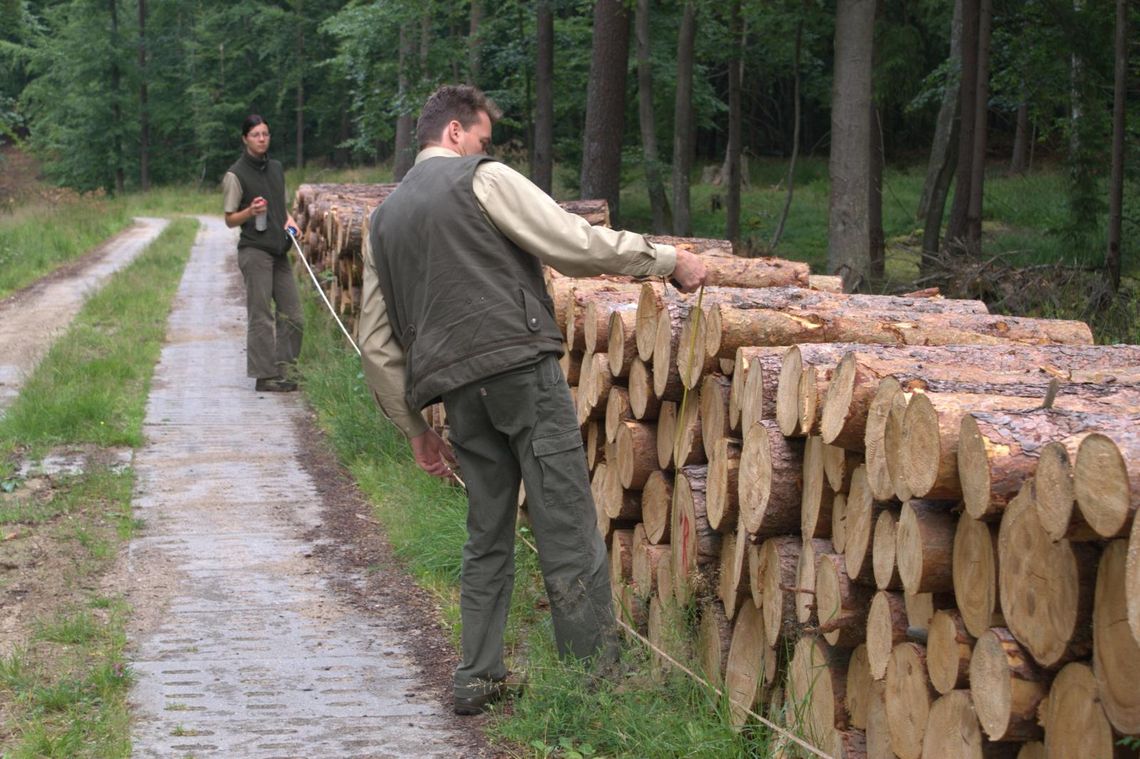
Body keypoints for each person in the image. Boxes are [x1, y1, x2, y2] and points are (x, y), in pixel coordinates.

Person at [358, 84, 708, 716]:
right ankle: (594, 681)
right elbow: (571, 242)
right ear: (457, 134)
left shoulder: (381, 222)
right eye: (483, 137)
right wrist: (666, 259)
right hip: (521, 367)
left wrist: (416, 430)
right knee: (565, 518)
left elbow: (376, 343)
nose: (486, 148)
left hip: (459, 394)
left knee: (486, 529)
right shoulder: (481, 178)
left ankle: (477, 675)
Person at [222, 114, 304, 392]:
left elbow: (281, 207)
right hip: (254, 251)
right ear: (245, 138)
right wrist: (250, 212)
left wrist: (289, 220)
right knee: (261, 315)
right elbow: (230, 218)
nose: (261, 139)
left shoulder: (277, 168)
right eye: (256, 134)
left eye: (265, 134)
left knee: (293, 314)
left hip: (279, 249)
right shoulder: (236, 174)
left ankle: (287, 370)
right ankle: (265, 376)